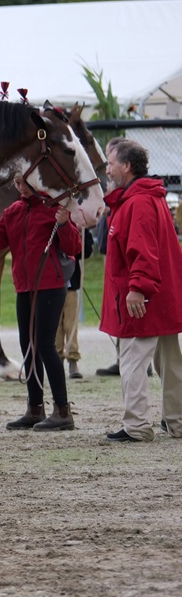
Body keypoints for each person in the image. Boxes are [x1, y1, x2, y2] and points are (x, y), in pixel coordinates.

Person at [0, 175, 81, 431]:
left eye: (22, 182)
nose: (19, 187)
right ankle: (35, 409)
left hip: (50, 287)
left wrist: (63, 224)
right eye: (16, 183)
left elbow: (73, 247)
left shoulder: (54, 208)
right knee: (28, 347)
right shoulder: (13, 211)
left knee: (45, 346)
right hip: (24, 288)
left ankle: (62, 411)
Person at [99, 138, 182, 442]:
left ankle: (137, 426)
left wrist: (138, 288)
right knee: (170, 363)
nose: (107, 170)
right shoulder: (149, 197)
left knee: (133, 360)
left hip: (144, 298)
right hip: (162, 295)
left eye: (110, 163)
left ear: (126, 166)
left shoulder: (138, 201)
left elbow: (142, 250)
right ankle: (177, 421)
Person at [55, 226, 84, 380]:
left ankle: (73, 359)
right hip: (53, 285)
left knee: (70, 324)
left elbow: (84, 252)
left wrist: (82, 236)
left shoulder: (74, 228)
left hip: (71, 286)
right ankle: (57, 359)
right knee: (55, 325)